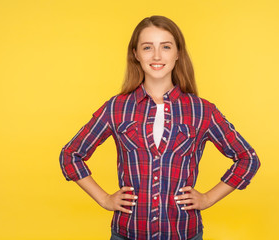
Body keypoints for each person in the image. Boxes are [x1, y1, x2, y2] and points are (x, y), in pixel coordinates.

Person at [59, 15, 261, 240]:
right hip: (128, 233)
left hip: (184, 233)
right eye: (147, 47)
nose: (157, 56)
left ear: (177, 54)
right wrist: (105, 199)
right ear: (136, 54)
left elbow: (247, 158)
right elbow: (70, 155)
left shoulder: (202, 110)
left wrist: (208, 199)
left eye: (165, 47)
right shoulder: (116, 107)